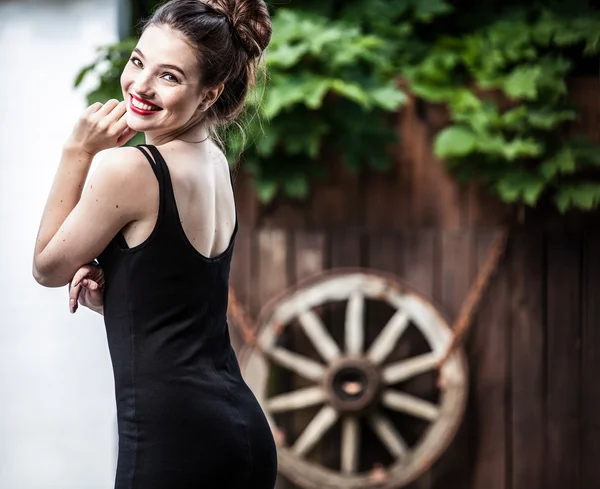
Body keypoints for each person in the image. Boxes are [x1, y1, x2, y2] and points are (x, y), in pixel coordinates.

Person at [31, 0, 277, 487]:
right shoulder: (214, 164)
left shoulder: (130, 168)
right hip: (241, 434)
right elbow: (182, 299)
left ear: (209, 95)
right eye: (138, 62)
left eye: (169, 76)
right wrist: (119, 293)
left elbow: (48, 267)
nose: (140, 86)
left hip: (172, 442)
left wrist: (77, 151)